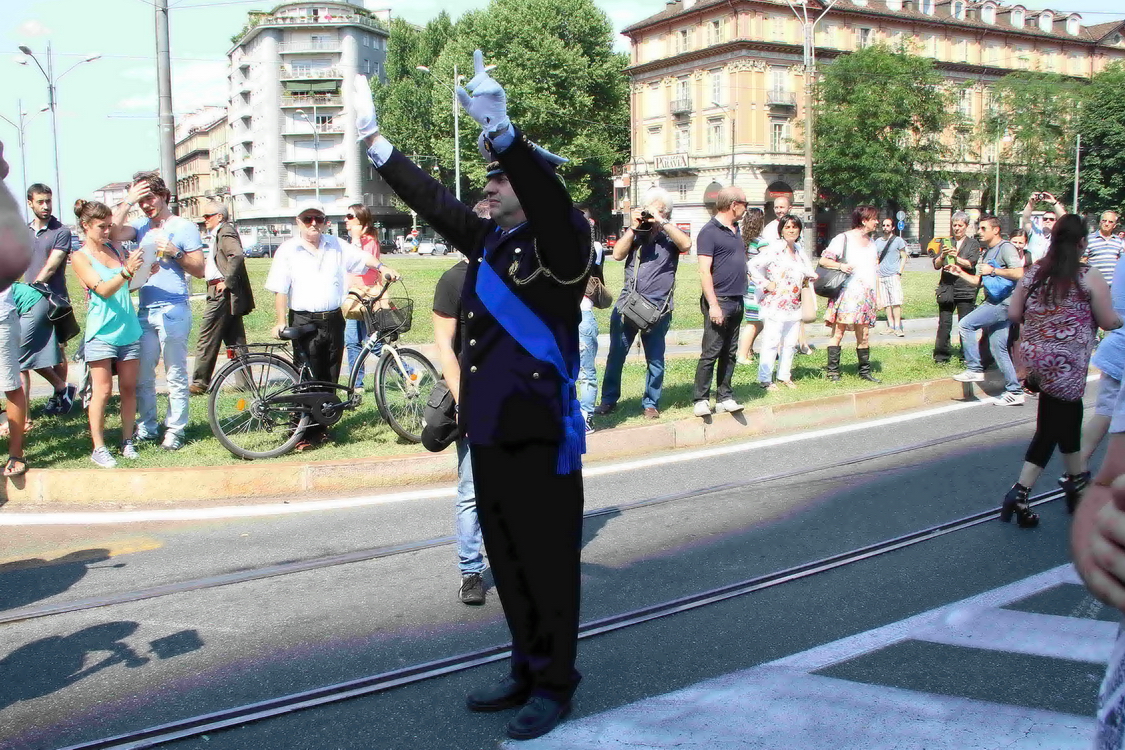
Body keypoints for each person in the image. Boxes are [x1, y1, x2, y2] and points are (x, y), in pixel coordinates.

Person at [359, 50, 591, 739]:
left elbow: (550, 210)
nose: (486, 189)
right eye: (488, 180)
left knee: (547, 567)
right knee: (509, 560)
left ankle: (555, 681)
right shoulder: (492, 242)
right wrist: (377, 146)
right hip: (488, 430)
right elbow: (432, 201)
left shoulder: (563, 241)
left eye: (499, 181)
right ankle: (525, 665)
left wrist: (504, 134)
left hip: (539, 433)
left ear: (531, 184)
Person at [1000, 214, 1122, 527]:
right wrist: (1117, 321)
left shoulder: (1034, 272)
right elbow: (1108, 321)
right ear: (1083, 242)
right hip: (1066, 365)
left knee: (1064, 421)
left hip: (1035, 361)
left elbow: (1014, 312)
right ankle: (1021, 490)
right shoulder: (1087, 275)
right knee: (1055, 425)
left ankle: (1075, 481)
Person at [264, 204, 397, 451]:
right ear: (298, 221)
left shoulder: (335, 244)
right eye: (307, 219)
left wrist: (382, 267)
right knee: (307, 377)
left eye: (319, 219)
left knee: (330, 375)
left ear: (325, 221)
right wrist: (281, 321)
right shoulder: (288, 250)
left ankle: (321, 428)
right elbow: (280, 288)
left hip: (333, 318)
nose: (313, 223)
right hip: (304, 320)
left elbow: (361, 258)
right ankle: (301, 431)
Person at [108, 172, 205, 452]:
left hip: (174, 306)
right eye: (142, 200)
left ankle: (176, 429)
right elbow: (112, 232)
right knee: (143, 375)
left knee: (175, 372)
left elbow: (199, 269)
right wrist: (127, 201)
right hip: (146, 308)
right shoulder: (139, 226)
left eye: (150, 198)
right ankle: (147, 427)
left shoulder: (184, 226)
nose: (147, 205)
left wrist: (175, 252)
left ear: (164, 196)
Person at [431, 202, 490, 605]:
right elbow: (444, 349)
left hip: (516, 396)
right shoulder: (453, 281)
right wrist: (464, 403)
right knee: (472, 490)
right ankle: (471, 571)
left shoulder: (515, 276)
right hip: (472, 397)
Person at [595, 189, 691, 419]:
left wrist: (662, 221)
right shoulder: (637, 234)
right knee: (616, 356)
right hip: (628, 305)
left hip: (659, 309)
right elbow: (617, 255)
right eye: (649, 210)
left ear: (666, 213)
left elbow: (686, 244)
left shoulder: (670, 235)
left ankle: (651, 403)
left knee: (655, 360)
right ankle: (608, 400)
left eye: (656, 211)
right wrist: (633, 228)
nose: (651, 217)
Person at [70, 200, 145, 469]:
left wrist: (143, 274)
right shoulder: (79, 257)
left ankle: (127, 441)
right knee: (101, 392)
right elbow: (102, 289)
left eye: (109, 226)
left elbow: (126, 287)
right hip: (101, 332)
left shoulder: (115, 248)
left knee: (128, 388)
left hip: (129, 328)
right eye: (101, 227)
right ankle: (98, 447)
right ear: (86, 226)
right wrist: (127, 271)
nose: (106, 231)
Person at [949, 217, 1027, 404]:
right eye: (979, 228)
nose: (980, 232)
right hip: (996, 300)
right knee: (997, 347)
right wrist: (959, 272)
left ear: (996, 230)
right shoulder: (987, 251)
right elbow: (978, 281)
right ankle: (1015, 391)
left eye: (983, 228)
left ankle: (974, 368)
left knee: (965, 324)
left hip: (1004, 302)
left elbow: (1019, 273)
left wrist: (993, 270)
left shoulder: (1006, 247)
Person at [693, 186, 748, 417]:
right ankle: (701, 399)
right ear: (734, 204)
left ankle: (725, 396)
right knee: (711, 352)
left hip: (737, 299)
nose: (747, 207)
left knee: (730, 352)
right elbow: (705, 272)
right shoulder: (709, 231)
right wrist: (713, 304)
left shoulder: (735, 230)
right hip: (720, 300)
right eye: (745, 202)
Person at [189, 201, 254, 394]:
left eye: (208, 216)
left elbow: (237, 255)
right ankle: (245, 383)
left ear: (219, 216)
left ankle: (200, 383)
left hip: (221, 293)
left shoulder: (225, 231)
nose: (204, 220)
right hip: (222, 292)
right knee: (235, 340)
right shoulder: (220, 232)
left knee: (207, 337)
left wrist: (227, 281)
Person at [24, 183, 76, 413]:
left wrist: (33, 287)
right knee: (26, 349)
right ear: (30, 203)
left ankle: (59, 398)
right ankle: (63, 388)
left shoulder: (61, 231)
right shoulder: (23, 231)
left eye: (48, 201)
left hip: (55, 300)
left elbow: (52, 265)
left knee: (57, 350)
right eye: (40, 202)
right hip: (29, 300)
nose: (45, 206)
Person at [750, 215, 816, 390]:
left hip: (794, 303)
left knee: (790, 342)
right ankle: (765, 378)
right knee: (771, 341)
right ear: (781, 230)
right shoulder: (774, 250)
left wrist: (810, 277)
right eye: (787, 227)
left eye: (794, 227)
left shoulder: (800, 251)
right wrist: (765, 284)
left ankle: (784, 375)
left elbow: (809, 270)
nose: (791, 230)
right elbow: (751, 265)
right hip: (775, 303)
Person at [820, 205, 881, 383]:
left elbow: (874, 271)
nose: (877, 222)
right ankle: (833, 372)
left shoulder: (871, 244)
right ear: (864, 221)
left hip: (866, 296)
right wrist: (841, 266)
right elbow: (824, 260)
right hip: (846, 294)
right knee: (838, 333)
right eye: (874, 219)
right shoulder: (843, 238)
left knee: (864, 335)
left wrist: (877, 295)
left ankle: (864, 371)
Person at [11, 281, 70, 433]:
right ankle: (62, 387)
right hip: (32, 303)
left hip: (31, 305)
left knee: (17, 363)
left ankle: (24, 420)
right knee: (25, 357)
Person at [932, 211, 982, 364]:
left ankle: (965, 355)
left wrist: (956, 258)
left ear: (966, 226)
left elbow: (970, 264)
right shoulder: (946, 242)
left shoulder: (973, 244)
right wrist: (942, 256)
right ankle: (941, 356)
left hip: (965, 288)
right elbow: (936, 265)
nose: (957, 228)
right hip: (947, 287)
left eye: (960, 225)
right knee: (944, 323)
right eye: (954, 225)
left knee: (965, 323)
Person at [343, 203, 383, 390]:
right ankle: (356, 385)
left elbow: (361, 262)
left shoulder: (369, 242)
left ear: (363, 223)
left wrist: (357, 239)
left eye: (351, 217)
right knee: (352, 342)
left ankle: (407, 371)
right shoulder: (353, 241)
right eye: (347, 216)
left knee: (369, 342)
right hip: (353, 296)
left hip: (364, 297)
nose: (346, 220)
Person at [576, 206, 604, 432]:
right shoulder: (594, 247)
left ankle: (570, 414)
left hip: (559, 316)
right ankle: (586, 417)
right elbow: (598, 278)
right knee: (587, 372)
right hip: (584, 312)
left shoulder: (552, 246)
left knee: (562, 371)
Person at [736, 207, 768, 365]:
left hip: (747, 285)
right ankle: (742, 355)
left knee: (756, 322)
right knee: (754, 322)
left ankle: (748, 350)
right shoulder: (761, 242)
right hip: (758, 287)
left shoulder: (742, 240)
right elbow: (771, 259)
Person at [875, 217, 907, 337]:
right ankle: (890, 326)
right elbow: (876, 258)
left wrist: (899, 272)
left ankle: (898, 327)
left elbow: (904, 256)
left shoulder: (898, 240)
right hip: (881, 276)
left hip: (893, 274)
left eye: (888, 225)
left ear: (893, 227)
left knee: (896, 301)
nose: (885, 227)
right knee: (886, 302)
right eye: (884, 225)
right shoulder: (877, 241)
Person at [1020, 190, 1067, 264]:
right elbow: (1025, 219)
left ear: (1056, 221)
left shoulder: (1058, 235)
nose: (1048, 221)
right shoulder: (1035, 232)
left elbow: (1065, 219)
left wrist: (1054, 202)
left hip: (1051, 268)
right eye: (1045, 219)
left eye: (1051, 219)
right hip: (1033, 267)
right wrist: (1030, 203)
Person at [1087, 210, 1123, 286]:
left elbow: (1122, 262)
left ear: (1114, 225)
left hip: (1113, 287)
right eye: (1104, 221)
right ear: (1100, 222)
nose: (1106, 224)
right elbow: (1082, 261)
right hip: (1094, 286)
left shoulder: (1118, 241)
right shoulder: (1089, 239)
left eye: (1110, 222)